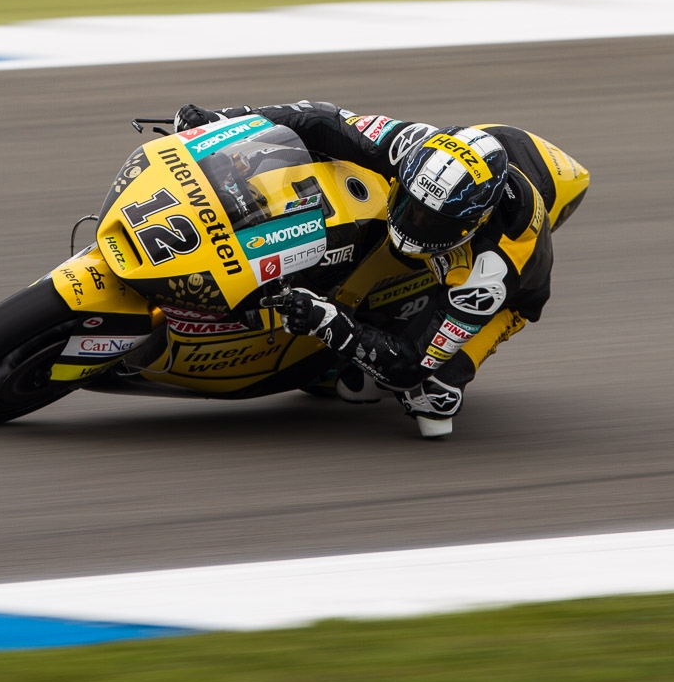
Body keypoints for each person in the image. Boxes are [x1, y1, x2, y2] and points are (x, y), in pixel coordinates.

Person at [174, 101, 590, 437]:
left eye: (432, 222)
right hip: (489, 155)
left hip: (510, 298)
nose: (413, 224)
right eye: (409, 204)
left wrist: (326, 321)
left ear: (474, 222)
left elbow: (408, 364)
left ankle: (346, 360)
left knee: (429, 396)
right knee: (330, 165)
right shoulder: (414, 146)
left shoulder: (488, 275)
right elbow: (321, 120)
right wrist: (226, 122)